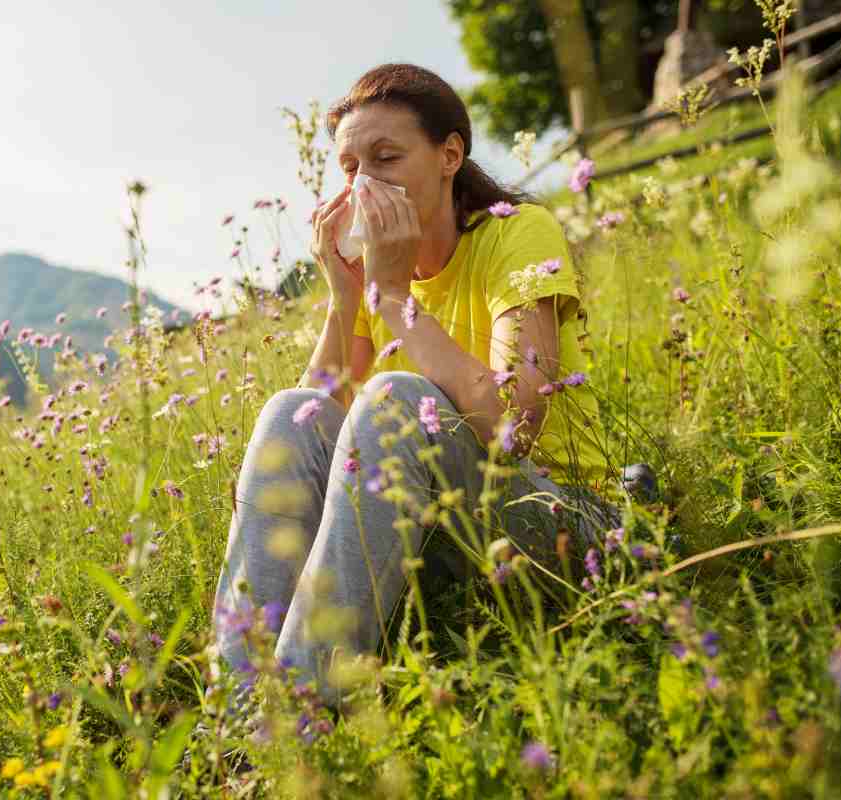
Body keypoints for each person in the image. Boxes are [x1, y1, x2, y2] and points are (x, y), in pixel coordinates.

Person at [211, 63, 621, 708]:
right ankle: (236, 712)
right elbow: (312, 432)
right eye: (350, 168)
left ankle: (296, 714)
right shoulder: (379, 273)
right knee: (290, 407)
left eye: (386, 158)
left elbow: (511, 430)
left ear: (449, 155)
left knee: (397, 399)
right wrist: (346, 297)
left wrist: (394, 294)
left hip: (562, 525)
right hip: (444, 532)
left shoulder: (518, 233)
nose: (365, 183)